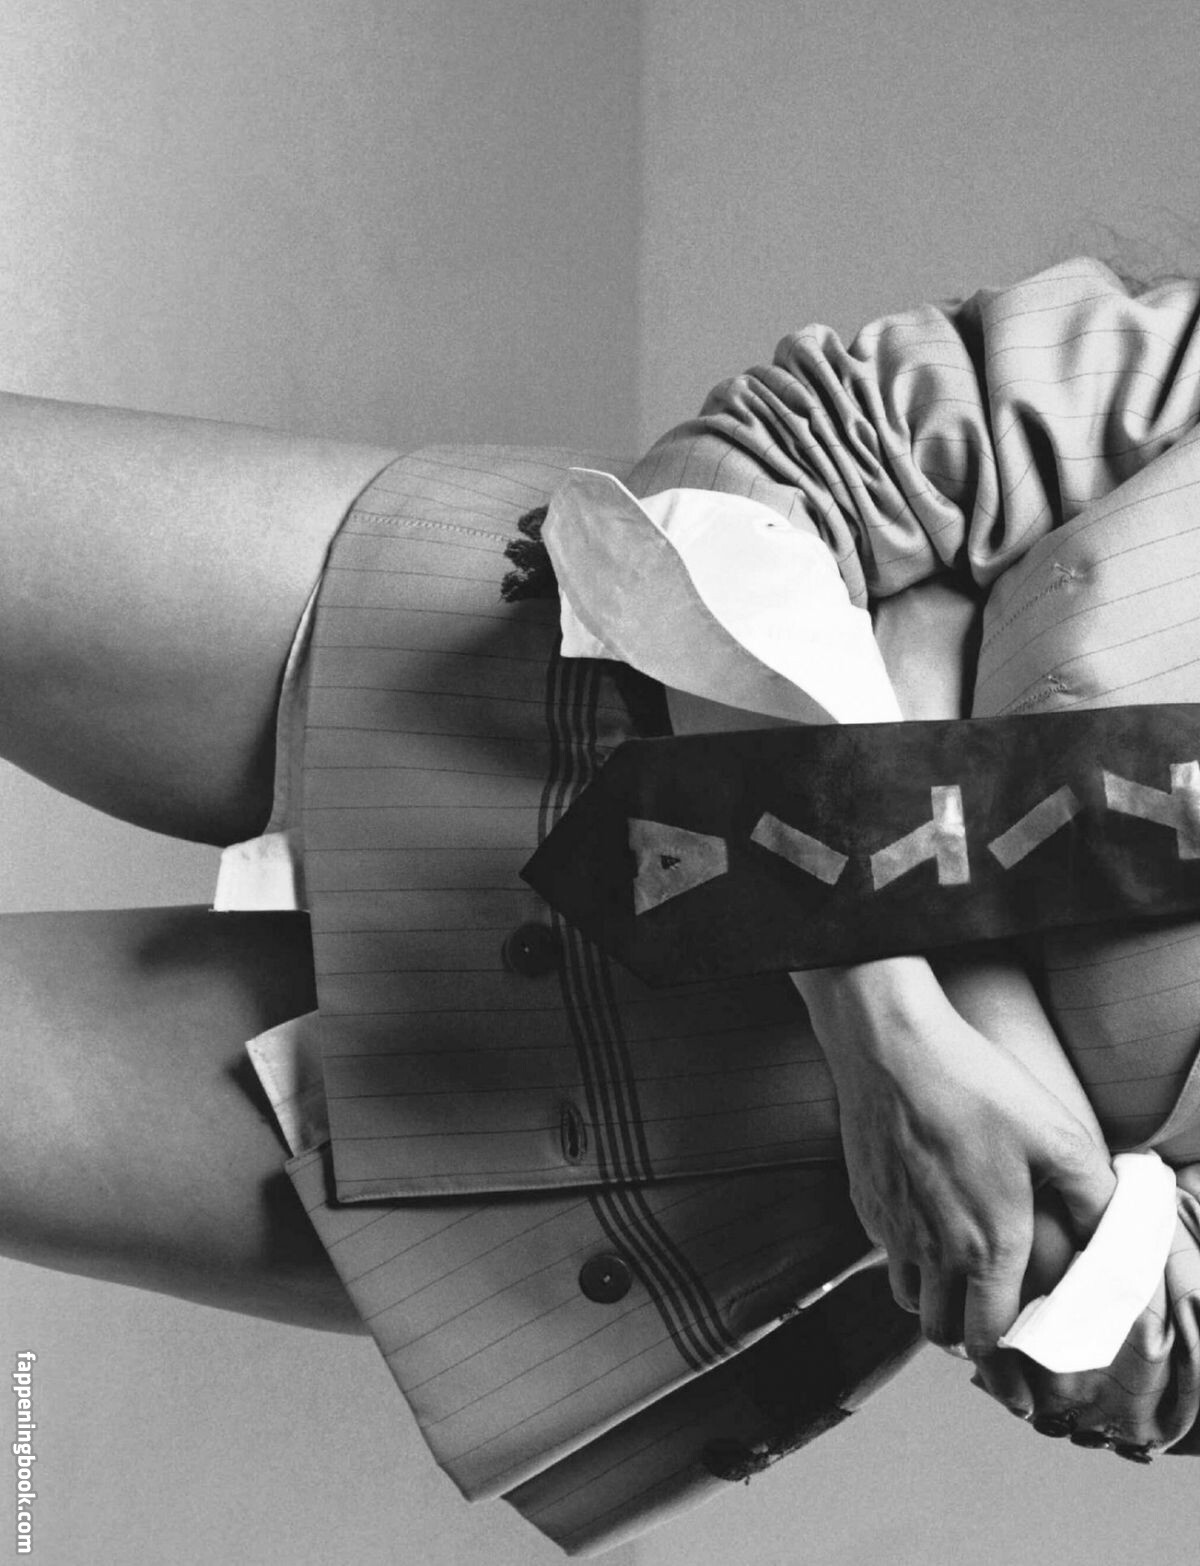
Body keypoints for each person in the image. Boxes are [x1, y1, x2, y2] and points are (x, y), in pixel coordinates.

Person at [4, 255, 1200, 1555]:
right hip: (504, 652)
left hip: (594, 1147)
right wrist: (897, 1022)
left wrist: (921, 681)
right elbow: (786, 455)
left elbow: (1138, 1338)